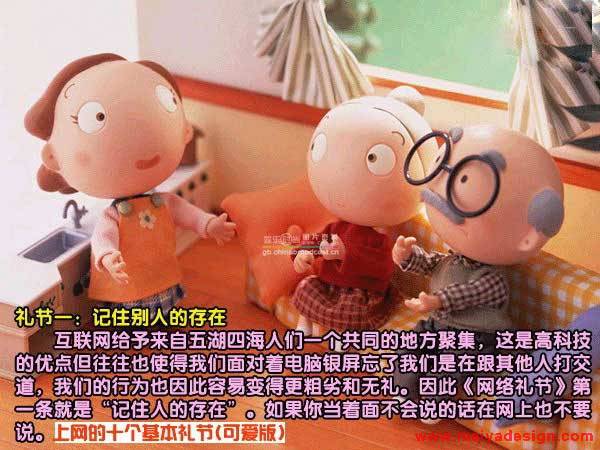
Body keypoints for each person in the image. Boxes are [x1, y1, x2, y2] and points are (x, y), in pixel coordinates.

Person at [25, 54, 236, 315]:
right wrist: (107, 256)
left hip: (161, 275)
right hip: (130, 284)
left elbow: (189, 215)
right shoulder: (113, 215)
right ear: (53, 157)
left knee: (163, 311)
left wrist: (209, 224)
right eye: (95, 118)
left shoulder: (165, 202)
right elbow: (103, 238)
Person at [393, 125, 565, 421]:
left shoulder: (493, 278)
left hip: (477, 337)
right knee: (411, 349)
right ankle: (403, 390)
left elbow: (471, 293)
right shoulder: (454, 260)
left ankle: (435, 401)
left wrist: (438, 300)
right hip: (438, 327)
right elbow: (431, 264)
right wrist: (407, 257)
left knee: (451, 366)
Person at [291, 86, 436, 335]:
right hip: (329, 286)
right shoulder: (336, 227)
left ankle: (334, 330)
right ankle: (306, 320)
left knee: (352, 310)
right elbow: (315, 241)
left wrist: (344, 254)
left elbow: (383, 269)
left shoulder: (378, 240)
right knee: (305, 286)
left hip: (360, 293)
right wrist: (303, 254)